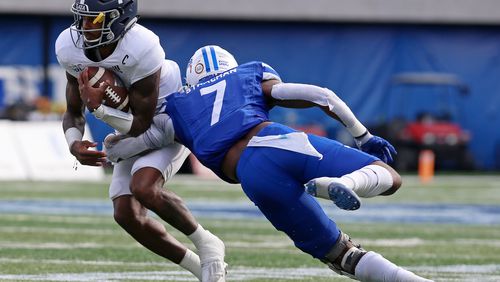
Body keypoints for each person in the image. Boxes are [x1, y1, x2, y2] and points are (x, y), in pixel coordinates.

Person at [105, 45, 433, 281]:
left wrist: (102, 126)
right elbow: (323, 96)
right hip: (275, 142)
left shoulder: (179, 106)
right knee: (390, 176)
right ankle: (345, 183)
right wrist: (363, 136)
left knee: (340, 254)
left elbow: (128, 146)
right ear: (231, 67)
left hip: (252, 177)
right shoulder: (248, 74)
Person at [55, 1, 226, 281]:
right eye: (81, 19)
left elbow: (142, 124)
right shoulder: (69, 47)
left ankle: (207, 242)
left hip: (167, 118)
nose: (84, 28)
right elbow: (73, 112)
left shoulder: (142, 47)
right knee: (126, 215)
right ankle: (200, 269)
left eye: (94, 20)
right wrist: (74, 143)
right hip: (130, 126)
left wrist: (100, 109)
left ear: (120, 19)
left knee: (143, 186)